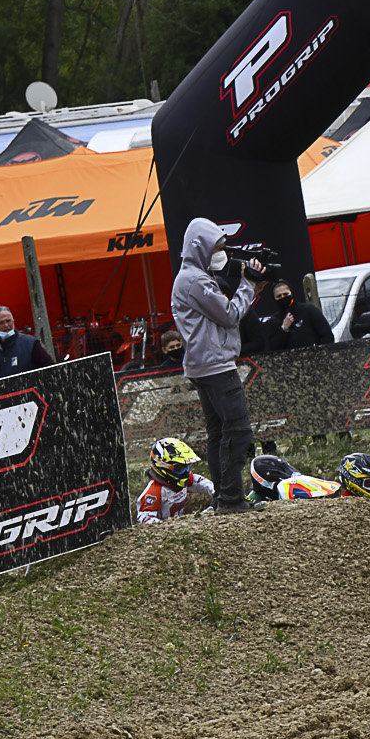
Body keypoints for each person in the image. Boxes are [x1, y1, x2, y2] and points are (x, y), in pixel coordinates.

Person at [171, 218, 264, 512]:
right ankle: (232, 498)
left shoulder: (190, 278)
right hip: (216, 366)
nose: (222, 252)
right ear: (200, 248)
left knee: (219, 433)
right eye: (218, 247)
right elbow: (230, 315)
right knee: (238, 431)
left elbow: (221, 316)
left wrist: (250, 289)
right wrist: (248, 284)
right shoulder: (196, 280)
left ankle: (223, 496)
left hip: (203, 364)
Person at [136, 438, 217, 525]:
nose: (184, 471)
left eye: (186, 466)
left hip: (179, 524)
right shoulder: (154, 492)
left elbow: (199, 482)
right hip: (165, 529)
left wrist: (216, 493)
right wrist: (164, 526)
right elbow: (144, 517)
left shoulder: (184, 478)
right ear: (163, 465)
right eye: (179, 467)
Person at [0, 306, 52, 379]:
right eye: (1, 323)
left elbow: (50, 369)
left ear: (13, 321)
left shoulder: (29, 343)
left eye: (8, 321)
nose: (6, 325)